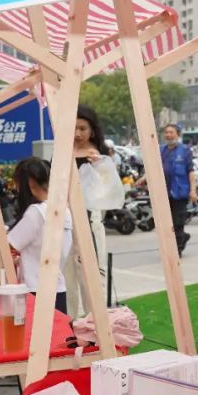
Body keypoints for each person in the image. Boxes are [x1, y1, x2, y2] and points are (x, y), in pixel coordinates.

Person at [7, 157, 73, 315]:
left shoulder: (36, 213)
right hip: (57, 288)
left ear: (30, 184)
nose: (17, 191)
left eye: (17, 185)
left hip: (35, 289)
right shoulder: (64, 209)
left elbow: (8, 246)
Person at [73, 104, 125, 271]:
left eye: (83, 129)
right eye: (74, 128)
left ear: (92, 131)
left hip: (90, 217)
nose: (77, 133)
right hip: (64, 217)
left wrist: (99, 166)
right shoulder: (62, 151)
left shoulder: (97, 155)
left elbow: (108, 188)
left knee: (91, 267)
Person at [139, 125, 197, 255]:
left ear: (178, 134)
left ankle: (177, 250)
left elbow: (191, 172)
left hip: (180, 193)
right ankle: (181, 238)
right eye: (166, 133)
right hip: (163, 193)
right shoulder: (161, 150)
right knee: (165, 224)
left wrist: (193, 190)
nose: (168, 135)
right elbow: (153, 167)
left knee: (178, 223)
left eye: (171, 132)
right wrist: (143, 178)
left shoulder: (185, 151)